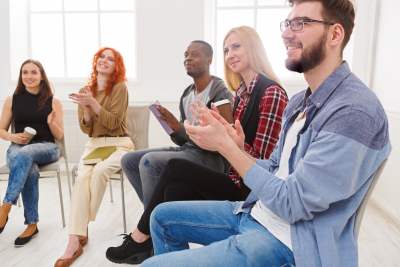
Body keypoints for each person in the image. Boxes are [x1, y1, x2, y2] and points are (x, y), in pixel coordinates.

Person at [140, 1, 392, 266]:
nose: (286, 33)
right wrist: (237, 147)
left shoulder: (354, 111)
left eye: (301, 23)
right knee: (160, 217)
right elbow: (274, 167)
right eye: (287, 24)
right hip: (255, 211)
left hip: (288, 242)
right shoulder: (298, 103)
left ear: (335, 35)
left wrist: (226, 147)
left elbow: (291, 202)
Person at [105, 27, 288, 264]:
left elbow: (264, 163)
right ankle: (164, 252)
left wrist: (225, 142)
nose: (230, 54)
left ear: (253, 48)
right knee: (172, 192)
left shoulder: (270, 92)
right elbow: (234, 144)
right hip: (235, 177)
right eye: (226, 50)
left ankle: (140, 237)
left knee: (174, 167)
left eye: (236, 46)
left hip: (248, 189)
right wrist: (195, 131)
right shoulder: (242, 94)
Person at [54, 47, 134, 267]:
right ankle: (74, 242)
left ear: (116, 66)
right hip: (95, 145)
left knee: (99, 172)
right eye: (102, 57)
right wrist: (87, 111)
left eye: (111, 59)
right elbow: (86, 129)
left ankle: (80, 228)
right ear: (95, 61)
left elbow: (114, 123)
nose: (104, 61)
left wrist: (93, 103)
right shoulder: (85, 89)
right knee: (81, 178)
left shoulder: (119, 88)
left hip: (119, 144)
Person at [0, 59, 63, 247]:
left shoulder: (54, 101)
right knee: (31, 169)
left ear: (41, 76)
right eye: (25, 72)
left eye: (34, 72)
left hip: (47, 147)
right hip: (18, 147)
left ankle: (4, 209)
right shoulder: (12, 99)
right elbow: (2, 130)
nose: (29, 76)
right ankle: (32, 224)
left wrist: (51, 122)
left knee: (27, 153)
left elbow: (59, 135)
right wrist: (13, 137)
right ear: (21, 76)